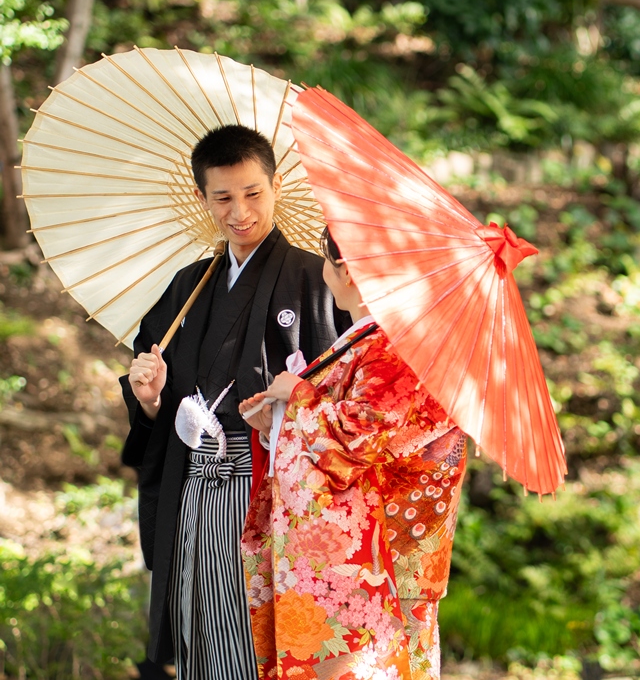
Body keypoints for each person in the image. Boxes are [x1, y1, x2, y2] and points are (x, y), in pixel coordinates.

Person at [120, 124, 349, 679]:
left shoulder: (316, 281)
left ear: (276, 187)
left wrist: (290, 411)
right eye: (223, 197)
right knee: (197, 625)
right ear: (203, 197)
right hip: (192, 483)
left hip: (269, 491)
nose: (240, 212)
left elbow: (347, 395)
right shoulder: (188, 285)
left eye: (253, 193)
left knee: (255, 634)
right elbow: (159, 406)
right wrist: (149, 401)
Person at [238, 227, 467, 680]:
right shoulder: (384, 339)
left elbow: (355, 442)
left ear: (345, 270)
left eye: (327, 260)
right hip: (386, 547)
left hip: (385, 552)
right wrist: (277, 423)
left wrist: (298, 395)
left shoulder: (393, 348)